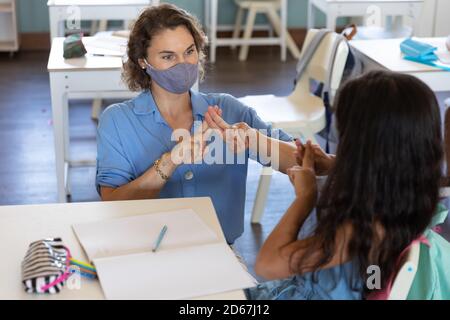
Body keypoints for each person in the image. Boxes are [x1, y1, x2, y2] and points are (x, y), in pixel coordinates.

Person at [95, 4, 297, 244]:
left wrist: (256, 139)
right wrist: (170, 161)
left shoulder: (228, 110)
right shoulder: (117, 121)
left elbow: (302, 162)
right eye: (168, 56)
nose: (183, 64)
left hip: (220, 253)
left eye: (189, 51)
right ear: (142, 61)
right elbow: (113, 205)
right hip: (146, 251)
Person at [245, 70, 444, 299]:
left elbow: (267, 265)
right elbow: (374, 278)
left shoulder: (357, 231)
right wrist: (333, 165)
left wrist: (305, 197)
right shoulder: (405, 204)